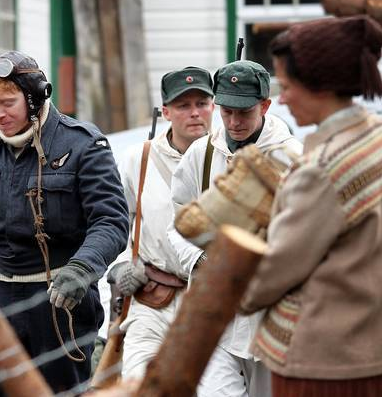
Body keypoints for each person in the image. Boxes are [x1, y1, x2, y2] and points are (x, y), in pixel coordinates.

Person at [0, 50, 129, 396]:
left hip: (59, 301)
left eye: (7, 102)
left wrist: (82, 267)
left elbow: (111, 220)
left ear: (35, 97)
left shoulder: (83, 145)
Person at [240, 15, 382, 397]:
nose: (281, 99)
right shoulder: (374, 139)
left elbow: (275, 269)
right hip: (368, 344)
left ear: (323, 86)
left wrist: (228, 284)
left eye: (286, 87)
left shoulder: (323, 169)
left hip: (321, 361)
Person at [168, 60, 302, 397]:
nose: (234, 121)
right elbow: (177, 223)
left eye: (244, 112)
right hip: (214, 312)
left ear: (265, 106)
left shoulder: (293, 158)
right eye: (227, 111)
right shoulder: (203, 153)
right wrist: (199, 261)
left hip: (271, 317)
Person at [108, 66, 215, 379]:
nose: (194, 113)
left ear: (213, 107)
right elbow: (115, 224)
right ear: (166, 111)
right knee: (139, 383)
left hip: (211, 300)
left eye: (202, 104)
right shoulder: (136, 159)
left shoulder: (229, 156)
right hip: (153, 298)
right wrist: (122, 265)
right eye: (183, 106)